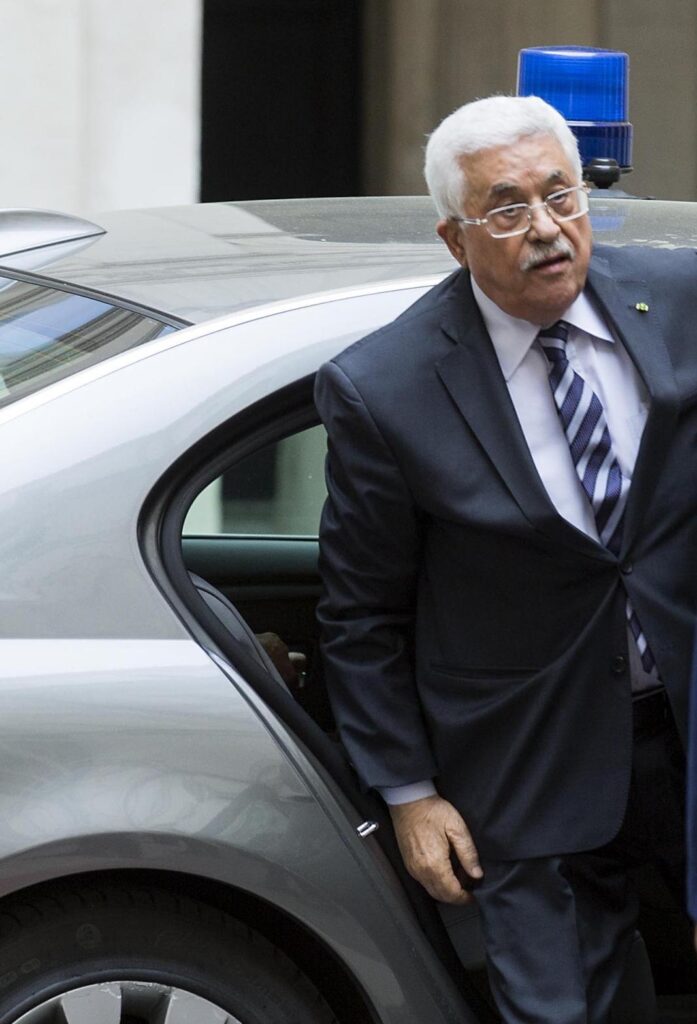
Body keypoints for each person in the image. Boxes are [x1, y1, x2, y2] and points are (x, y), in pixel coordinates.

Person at [314, 95, 696, 1024]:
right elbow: (361, 614)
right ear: (455, 239)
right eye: (506, 208)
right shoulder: (385, 389)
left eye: (559, 196)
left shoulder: (680, 302)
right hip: (528, 771)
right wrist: (410, 794)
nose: (546, 228)